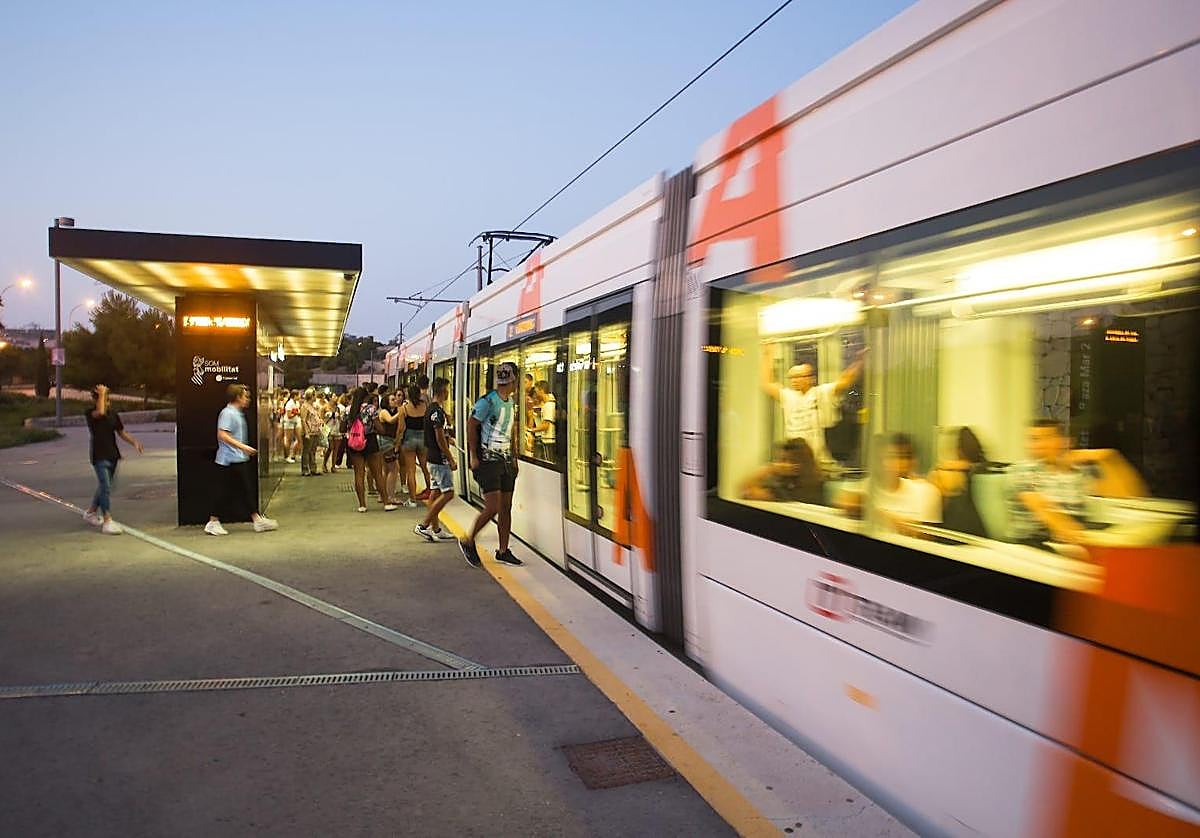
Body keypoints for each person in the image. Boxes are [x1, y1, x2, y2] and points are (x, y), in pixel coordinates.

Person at [1008, 419, 1147, 547]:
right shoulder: (1023, 470)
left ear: (1065, 441)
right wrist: (1087, 539)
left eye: (1046, 438)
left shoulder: (1082, 470)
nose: (1037, 445)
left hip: (1077, 533)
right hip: (1036, 539)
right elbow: (1045, 511)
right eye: (1033, 439)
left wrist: (1107, 457)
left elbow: (1124, 495)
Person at [459, 361, 524, 568]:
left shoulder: (510, 402)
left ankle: (503, 550)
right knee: (493, 506)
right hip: (488, 460)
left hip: (505, 461)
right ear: (512, 379)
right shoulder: (487, 401)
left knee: (506, 507)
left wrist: (513, 455)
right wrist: (473, 455)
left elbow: (510, 431)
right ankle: (468, 540)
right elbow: (472, 424)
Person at [760, 345, 865, 470]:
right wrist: (767, 353)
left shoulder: (822, 392)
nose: (794, 380)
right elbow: (767, 383)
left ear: (810, 378)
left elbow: (845, 381)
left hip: (819, 461)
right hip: (794, 460)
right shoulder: (788, 396)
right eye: (792, 377)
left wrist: (860, 360)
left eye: (798, 376)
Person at [205, 384, 278, 535]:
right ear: (237, 397)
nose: (248, 399)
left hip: (237, 459)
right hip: (227, 460)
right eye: (245, 396)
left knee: (245, 490)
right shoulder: (227, 413)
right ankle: (213, 522)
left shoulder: (237, 413)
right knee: (225, 492)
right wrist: (243, 447)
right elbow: (222, 435)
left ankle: (257, 520)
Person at [838, 434, 941, 535]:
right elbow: (848, 503)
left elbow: (928, 539)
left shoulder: (925, 492)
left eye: (905, 457)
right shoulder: (861, 487)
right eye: (891, 456)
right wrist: (885, 517)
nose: (900, 463)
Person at [83, 384, 144, 535]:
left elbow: (121, 432)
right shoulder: (91, 413)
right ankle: (107, 520)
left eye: (107, 399)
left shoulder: (113, 415)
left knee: (106, 486)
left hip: (113, 455)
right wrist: (102, 393)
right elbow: (101, 412)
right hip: (99, 455)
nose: (107, 402)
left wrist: (134, 442)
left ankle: (90, 513)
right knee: (105, 486)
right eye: (104, 399)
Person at [414, 377, 459, 542]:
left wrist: (448, 438)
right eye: (447, 390)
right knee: (448, 493)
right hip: (439, 459)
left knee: (435, 492)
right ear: (443, 391)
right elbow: (439, 439)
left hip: (431, 458)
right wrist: (450, 458)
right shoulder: (437, 412)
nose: (448, 393)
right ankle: (423, 525)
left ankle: (436, 528)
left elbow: (439, 435)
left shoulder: (430, 409)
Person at [928, 426, 991, 538]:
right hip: (980, 532)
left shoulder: (944, 472)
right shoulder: (985, 470)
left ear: (958, 449)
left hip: (954, 533)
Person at [346, 386, 396, 513]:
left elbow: (343, 427)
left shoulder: (349, 410)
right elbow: (380, 428)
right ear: (365, 396)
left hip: (354, 442)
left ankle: (362, 505)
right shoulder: (371, 409)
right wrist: (380, 429)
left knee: (359, 473)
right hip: (370, 441)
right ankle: (386, 503)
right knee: (377, 473)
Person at [740, 438, 824, 504]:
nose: (784, 465)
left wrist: (770, 469)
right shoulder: (783, 482)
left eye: (792, 461)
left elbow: (747, 492)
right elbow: (746, 492)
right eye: (783, 460)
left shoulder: (807, 486)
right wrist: (772, 469)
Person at [399, 384, 428, 507]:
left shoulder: (404, 408)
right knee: (425, 467)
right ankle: (431, 491)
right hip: (423, 439)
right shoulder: (425, 406)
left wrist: (397, 442)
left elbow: (401, 428)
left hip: (409, 440)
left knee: (411, 471)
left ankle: (412, 500)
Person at [377, 390, 402, 502]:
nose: (395, 401)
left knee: (386, 469)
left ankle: (383, 495)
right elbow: (391, 421)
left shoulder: (394, 410)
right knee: (394, 468)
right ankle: (390, 496)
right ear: (386, 402)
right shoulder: (384, 412)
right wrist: (401, 412)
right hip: (385, 442)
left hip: (389, 442)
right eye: (392, 399)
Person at [530, 380, 556, 461]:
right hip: (547, 439)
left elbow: (545, 426)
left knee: (549, 461)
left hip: (549, 440)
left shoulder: (548, 405)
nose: (536, 394)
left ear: (541, 391)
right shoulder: (547, 404)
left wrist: (530, 430)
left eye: (536, 391)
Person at [299, 389, 323, 477]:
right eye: (314, 395)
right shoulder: (305, 406)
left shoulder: (312, 406)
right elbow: (303, 420)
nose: (315, 397)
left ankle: (313, 468)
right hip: (309, 432)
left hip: (315, 431)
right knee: (306, 451)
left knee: (313, 451)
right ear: (311, 396)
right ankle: (305, 469)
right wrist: (306, 433)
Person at [281, 389, 301, 462]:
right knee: (288, 439)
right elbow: (289, 415)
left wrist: (297, 413)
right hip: (289, 422)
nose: (300, 396)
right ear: (295, 396)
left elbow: (298, 411)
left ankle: (293, 455)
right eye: (298, 395)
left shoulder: (297, 403)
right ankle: (287, 456)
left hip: (296, 421)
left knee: (299, 439)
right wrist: (295, 413)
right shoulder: (289, 403)